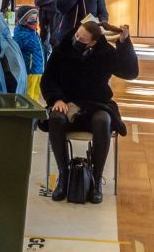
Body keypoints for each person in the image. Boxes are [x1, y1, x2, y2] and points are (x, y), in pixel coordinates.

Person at [41, 21, 138, 203]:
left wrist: (125, 43)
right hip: (68, 103)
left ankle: (96, 179)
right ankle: (63, 175)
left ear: (93, 42)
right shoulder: (62, 50)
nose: (77, 39)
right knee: (55, 118)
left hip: (97, 103)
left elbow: (130, 72)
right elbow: (47, 80)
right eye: (77, 35)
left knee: (103, 121)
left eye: (83, 39)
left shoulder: (105, 53)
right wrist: (56, 99)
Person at [12, 6, 44, 102]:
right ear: (23, 20)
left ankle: (34, 109)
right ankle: (26, 110)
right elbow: (17, 47)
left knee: (35, 93)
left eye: (36, 18)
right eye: (31, 19)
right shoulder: (22, 34)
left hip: (38, 68)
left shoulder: (33, 32)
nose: (35, 21)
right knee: (28, 94)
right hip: (30, 70)